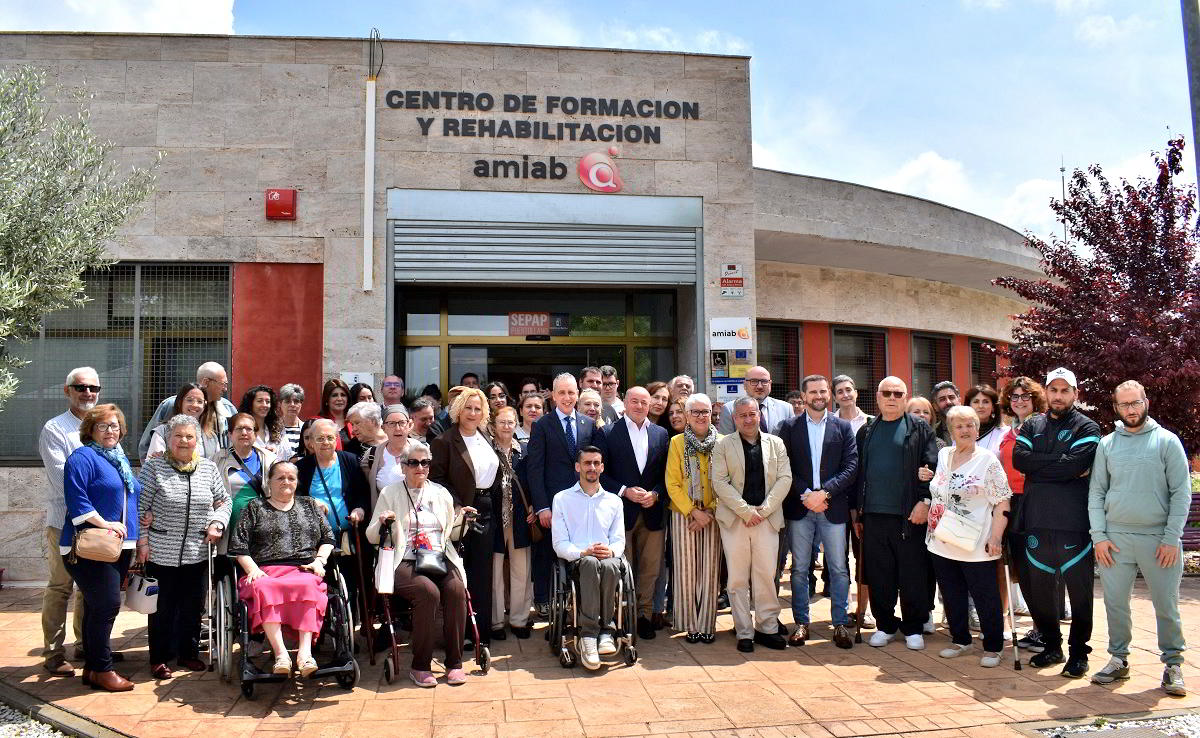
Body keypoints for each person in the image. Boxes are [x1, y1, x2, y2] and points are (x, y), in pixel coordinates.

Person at [1088, 380, 1190, 695]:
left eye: (1136, 403)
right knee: (1115, 603)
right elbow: (1096, 492)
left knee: (1166, 604)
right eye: (1124, 404)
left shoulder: (1167, 441)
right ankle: (1118, 660)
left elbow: (1181, 492)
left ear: (1146, 402)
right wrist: (1099, 536)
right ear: (1116, 407)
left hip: (1159, 540)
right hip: (1115, 539)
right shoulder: (1107, 445)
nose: (1131, 409)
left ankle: (1173, 664)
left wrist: (1171, 538)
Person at [1012, 367, 1100, 678]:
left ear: (1075, 394)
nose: (1058, 396)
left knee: (1079, 594)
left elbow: (1075, 465)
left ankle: (1079, 653)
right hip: (1037, 521)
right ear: (1046, 392)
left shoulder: (1087, 426)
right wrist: (1061, 464)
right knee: (1041, 592)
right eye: (1054, 390)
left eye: (1065, 390)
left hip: (1073, 524)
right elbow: (1019, 460)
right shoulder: (1032, 424)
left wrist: (1040, 466)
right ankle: (1052, 647)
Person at [366, 440, 469, 687]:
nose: (419, 468)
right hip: (404, 559)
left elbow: (452, 535)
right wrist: (383, 522)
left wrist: (463, 519)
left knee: (456, 589)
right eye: (413, 463)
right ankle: (420, 665)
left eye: (425, 463)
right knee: (428, 592)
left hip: (438, 557)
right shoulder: (390, 493)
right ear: (403, 466)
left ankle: (454, 662)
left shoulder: (441, 493)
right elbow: (371, 536)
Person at [136, 414, 230, 679]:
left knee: (193, 606)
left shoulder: (208, 469)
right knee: (162, 607)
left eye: (189, 436)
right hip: (160, 551)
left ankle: (188, 654)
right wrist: (143, 542)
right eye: (178, 435)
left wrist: (217, 523)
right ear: (168, 439)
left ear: (197, 440)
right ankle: (160, 658)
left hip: (198, 551)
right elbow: (140, 508)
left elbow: (224, 501)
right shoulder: (154, 468)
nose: (184, 441)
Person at [854, 377, 939, 651]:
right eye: (887, 393)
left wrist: (924, 501)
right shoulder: (866, 431)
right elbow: (857, 472)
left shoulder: (920, 428)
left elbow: (931, 465)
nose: (892, 398)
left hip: (909, 516)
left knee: (912, 574)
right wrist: (857, 513)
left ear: (905, 397)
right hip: (873, 514)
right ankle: (886, 625)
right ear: (878, 397)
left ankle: (913, 627)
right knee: (880, 574)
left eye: (898, 393)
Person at [230, 460, 335, 678]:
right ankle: (281, 655)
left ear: (297, 482)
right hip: (265, 570)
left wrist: (319, 561)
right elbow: (239, 546)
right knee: (264, 588)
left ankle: (305, 655)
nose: (286, 482)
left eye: (291, 478)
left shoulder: (309, 505)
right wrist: (252, 569)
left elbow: (328, 538)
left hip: (303, 568)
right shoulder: (255, 507)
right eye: (280, 478)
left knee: (308, 586)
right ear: (269, 482)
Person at [62, 404, 141, 692]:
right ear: (91, 430)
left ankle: (93, 668)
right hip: (90, 545)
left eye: (115, 426)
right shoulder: (83, 457)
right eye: (103, 426)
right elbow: (77, 499)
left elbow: (128, 497)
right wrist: (105, 523)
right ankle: (103, 670)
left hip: (119, 545)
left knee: (97, 606)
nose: (110, 431)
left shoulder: (117, 458)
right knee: (107, 605)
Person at [926, 405, 1012, 668]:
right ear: (950, 431)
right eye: (959, 426)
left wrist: (995, 538)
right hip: (941, 539)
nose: (965, 430)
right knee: (951, 593)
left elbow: (1002, 501)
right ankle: (960, 639)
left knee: (985, 595)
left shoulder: (987, 460)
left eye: (970, 425)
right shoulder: (944, 455)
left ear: (977, 429)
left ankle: (994, 647)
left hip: (975, 542)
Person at [777, 375, 858, 649]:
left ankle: (840, 624)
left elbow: (851, 465)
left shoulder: (842, 427)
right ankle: (801, 623)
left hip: (832, 506)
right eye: (813, 392)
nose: (819, 396)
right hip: (800, 507)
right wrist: (806, 494)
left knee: (839, 568)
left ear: (829, 394)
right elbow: (783, 465)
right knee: (800, 569)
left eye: (823, 391)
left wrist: (825, 493)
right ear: (804, 396)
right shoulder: (789, 427)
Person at [711, 396, 792, 652]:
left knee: (766, 575)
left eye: (752, 414)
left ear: (759, 415)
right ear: (734, 418)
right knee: (737, 579)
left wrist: (764, 510)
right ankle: (744, 630)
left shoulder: (776, 443)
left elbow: (785, 478)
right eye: (742, 415)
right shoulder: (723, 445)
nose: (748, 419)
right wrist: (746, 512)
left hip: (766, 519)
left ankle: (767, 627)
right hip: (736, 520)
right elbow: (719, 482)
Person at [595, 386, 670, 641]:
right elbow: (600, 473)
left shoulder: (660, 434)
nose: (639, 406)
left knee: (650, 569)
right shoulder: (607, 433)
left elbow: (667, 474)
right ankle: (621, 617)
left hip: (652, 512)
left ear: (649, 406)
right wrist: (624, 491)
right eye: (634, 401)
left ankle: (644, 616)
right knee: (621, 568)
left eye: (643, 402)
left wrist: (656, 494)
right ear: (624, 403)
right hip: (620, 512)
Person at [38, 367, 98, 676]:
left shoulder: (102, 425)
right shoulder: (55, 429)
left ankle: (86, 645)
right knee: (60, 587)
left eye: (93, 388)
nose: (88, 393)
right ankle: (53, 653)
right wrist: (99, 492)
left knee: (88, 589)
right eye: (81, 387)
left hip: (95, 525)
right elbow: (63, 478)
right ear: (67, 390)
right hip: (64, 521)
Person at [430, 387, 499, 646]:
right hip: (460, 511)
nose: (472, 413)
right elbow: (436, 479)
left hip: (487, 508)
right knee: (460, 575)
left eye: (477, 408)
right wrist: (457, 506)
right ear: (458, 410)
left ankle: (480, 634)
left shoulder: (485, 435)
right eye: (468, 408)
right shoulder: (445, 441)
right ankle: (460, 634)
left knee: (482, 573)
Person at [527, 373, 596, 617]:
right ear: (553, 396)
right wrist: (542, 506)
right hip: (552, 505)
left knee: (577, 554)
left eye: (571, 392)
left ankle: (575, 602)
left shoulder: (588, 424)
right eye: (562, 393)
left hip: (582, 503)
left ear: (578, 394)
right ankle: (543, 601)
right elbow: (535, 469)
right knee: (547, 553)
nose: (567, 397)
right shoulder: (541, 425)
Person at [551, 445, 626, 669]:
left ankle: (606, 632)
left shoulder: (614, 501)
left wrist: (611, 551)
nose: (592, 467)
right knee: (590, 562)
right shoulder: (562, 499)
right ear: (577, 467)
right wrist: (581, 552)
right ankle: (589, 635)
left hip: (607, 559)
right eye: (587, 463)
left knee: (611, 565)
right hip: (578, 562)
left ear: (602, 468)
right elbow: (559, 543)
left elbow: (619, 539)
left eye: (596, 463)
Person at [296, 418, 369, 617]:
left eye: (330, 437)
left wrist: (360, 509)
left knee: (352, 578)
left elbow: (363, 492)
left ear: (336, 438)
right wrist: (312, 503)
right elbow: (295, 498)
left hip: (348, 533)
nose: (326, 442)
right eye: (320, 439)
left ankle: (354, 618)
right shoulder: (303, 467)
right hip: (316, 538)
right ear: (311, 442)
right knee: (321, 580)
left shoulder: (350, 460)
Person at [665, 393, 722, 644]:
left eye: (705, 411)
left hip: (714, 514)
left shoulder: (723, 442)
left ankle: (706, 624)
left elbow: (727, 482)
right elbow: (672, 483)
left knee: (709, 570)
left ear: (711, 414)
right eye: (695, 412)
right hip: (683, 513)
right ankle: (690, 624)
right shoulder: (677, 442)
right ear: (687, 416)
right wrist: (693, 511)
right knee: (686, 570)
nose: (701, 416)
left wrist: (709, 511)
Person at [997, 377, 1048, 621]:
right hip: (1012, 503)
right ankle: (1039, 626)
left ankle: (1045, 628)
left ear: (1035, 399)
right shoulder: (1009, 432)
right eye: (1014, 396)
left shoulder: (1044, 427)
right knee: (1022, 567)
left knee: (1038, 567)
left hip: (1037, 502)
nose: (1019, 401)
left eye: (1025, 396)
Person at [489, 406, 535, 640]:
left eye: (510, 422)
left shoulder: (525, 451)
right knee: (494, 572)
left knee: (521, 571)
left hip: (520, 518)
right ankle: (496, 622)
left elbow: (533, 480)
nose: (506, 426)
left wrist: (534, 505)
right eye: (502, 422)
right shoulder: (486, 449)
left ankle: (519, 620)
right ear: (493, 425)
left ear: (516, 424)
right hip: (495, 518)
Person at [138, 361, 237, 457]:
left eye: (200, 402)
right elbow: (147, 448)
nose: (225, 389)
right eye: (223, 384)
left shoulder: (227, 409)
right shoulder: (170, 406)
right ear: (206, 382)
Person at [214, 413, 277, 542]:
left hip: (261, 529)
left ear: (255, 434)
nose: (244, 433)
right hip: (229, 528)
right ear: (230, 434)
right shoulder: (217, 460)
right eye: (239, 429)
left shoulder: (269, 459)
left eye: (249, 429)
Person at [145, 383, 221, 461]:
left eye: (199, 401)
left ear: (205, 405)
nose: (195, 405)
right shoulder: (162, 432)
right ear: (180, 402)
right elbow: (152, 464)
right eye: (189, 400)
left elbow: (217, 465)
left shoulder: (211, 436)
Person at [361, 405, 411, 508]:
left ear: (409, 425)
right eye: (391, 423)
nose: (398, 428)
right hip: (384, 514)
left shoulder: (422, 450)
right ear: (383, 428)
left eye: (402, 423)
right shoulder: (372, 454)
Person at [718, 366, 792, 434]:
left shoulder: (786, 409)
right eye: (754, 381)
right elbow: (726, 442)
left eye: (764, 381)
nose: (759, 386)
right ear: (745, 385)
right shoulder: (729, 409)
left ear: (770, 384)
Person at [239, 384, 292, 459]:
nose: (264, 405)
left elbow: (287, 456)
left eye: (268, 402)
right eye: (260, 401)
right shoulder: (241, 430)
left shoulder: (278, 429)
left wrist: (275, 453)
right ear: (250, 404)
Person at [964, 385, 1006, 454]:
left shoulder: (1004, 433)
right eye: (976, 402)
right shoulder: (960, 431)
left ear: (993, 407)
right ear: (969, 406)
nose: (980, 406)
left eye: (986, 402)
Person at [318, 379, 351, 446]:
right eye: (334, 395)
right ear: (327, 399)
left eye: (343, 395)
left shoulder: (354, 422)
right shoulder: (318, 423)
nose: (339, 399)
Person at [278, 383, 307, 453]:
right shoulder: (272, 428)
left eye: (296, 401)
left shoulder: (307, 428)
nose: (292, 405)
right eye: (287, 401)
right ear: (280, 404)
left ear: (301, 404)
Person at [932, 381, 962, 447]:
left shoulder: (973, 426)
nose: (948, 402)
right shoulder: (932, 433)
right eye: (942, 399)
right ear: (935, 406)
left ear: (959, 401)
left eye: (951, 397)